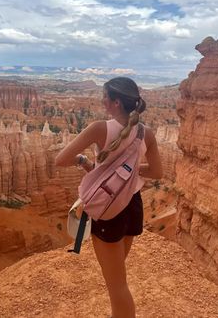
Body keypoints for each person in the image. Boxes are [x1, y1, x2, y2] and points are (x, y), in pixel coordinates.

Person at [55, 77, 162, 318]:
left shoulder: (99, 129)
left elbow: (60, 160)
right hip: (132, 204)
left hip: (108, 210)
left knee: (117, 286)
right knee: (117, 275)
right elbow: (157, 173)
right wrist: (131, 170)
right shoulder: (148, 134)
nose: (102, 101)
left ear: (115, 102)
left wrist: (82, 160)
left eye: (105, 97)